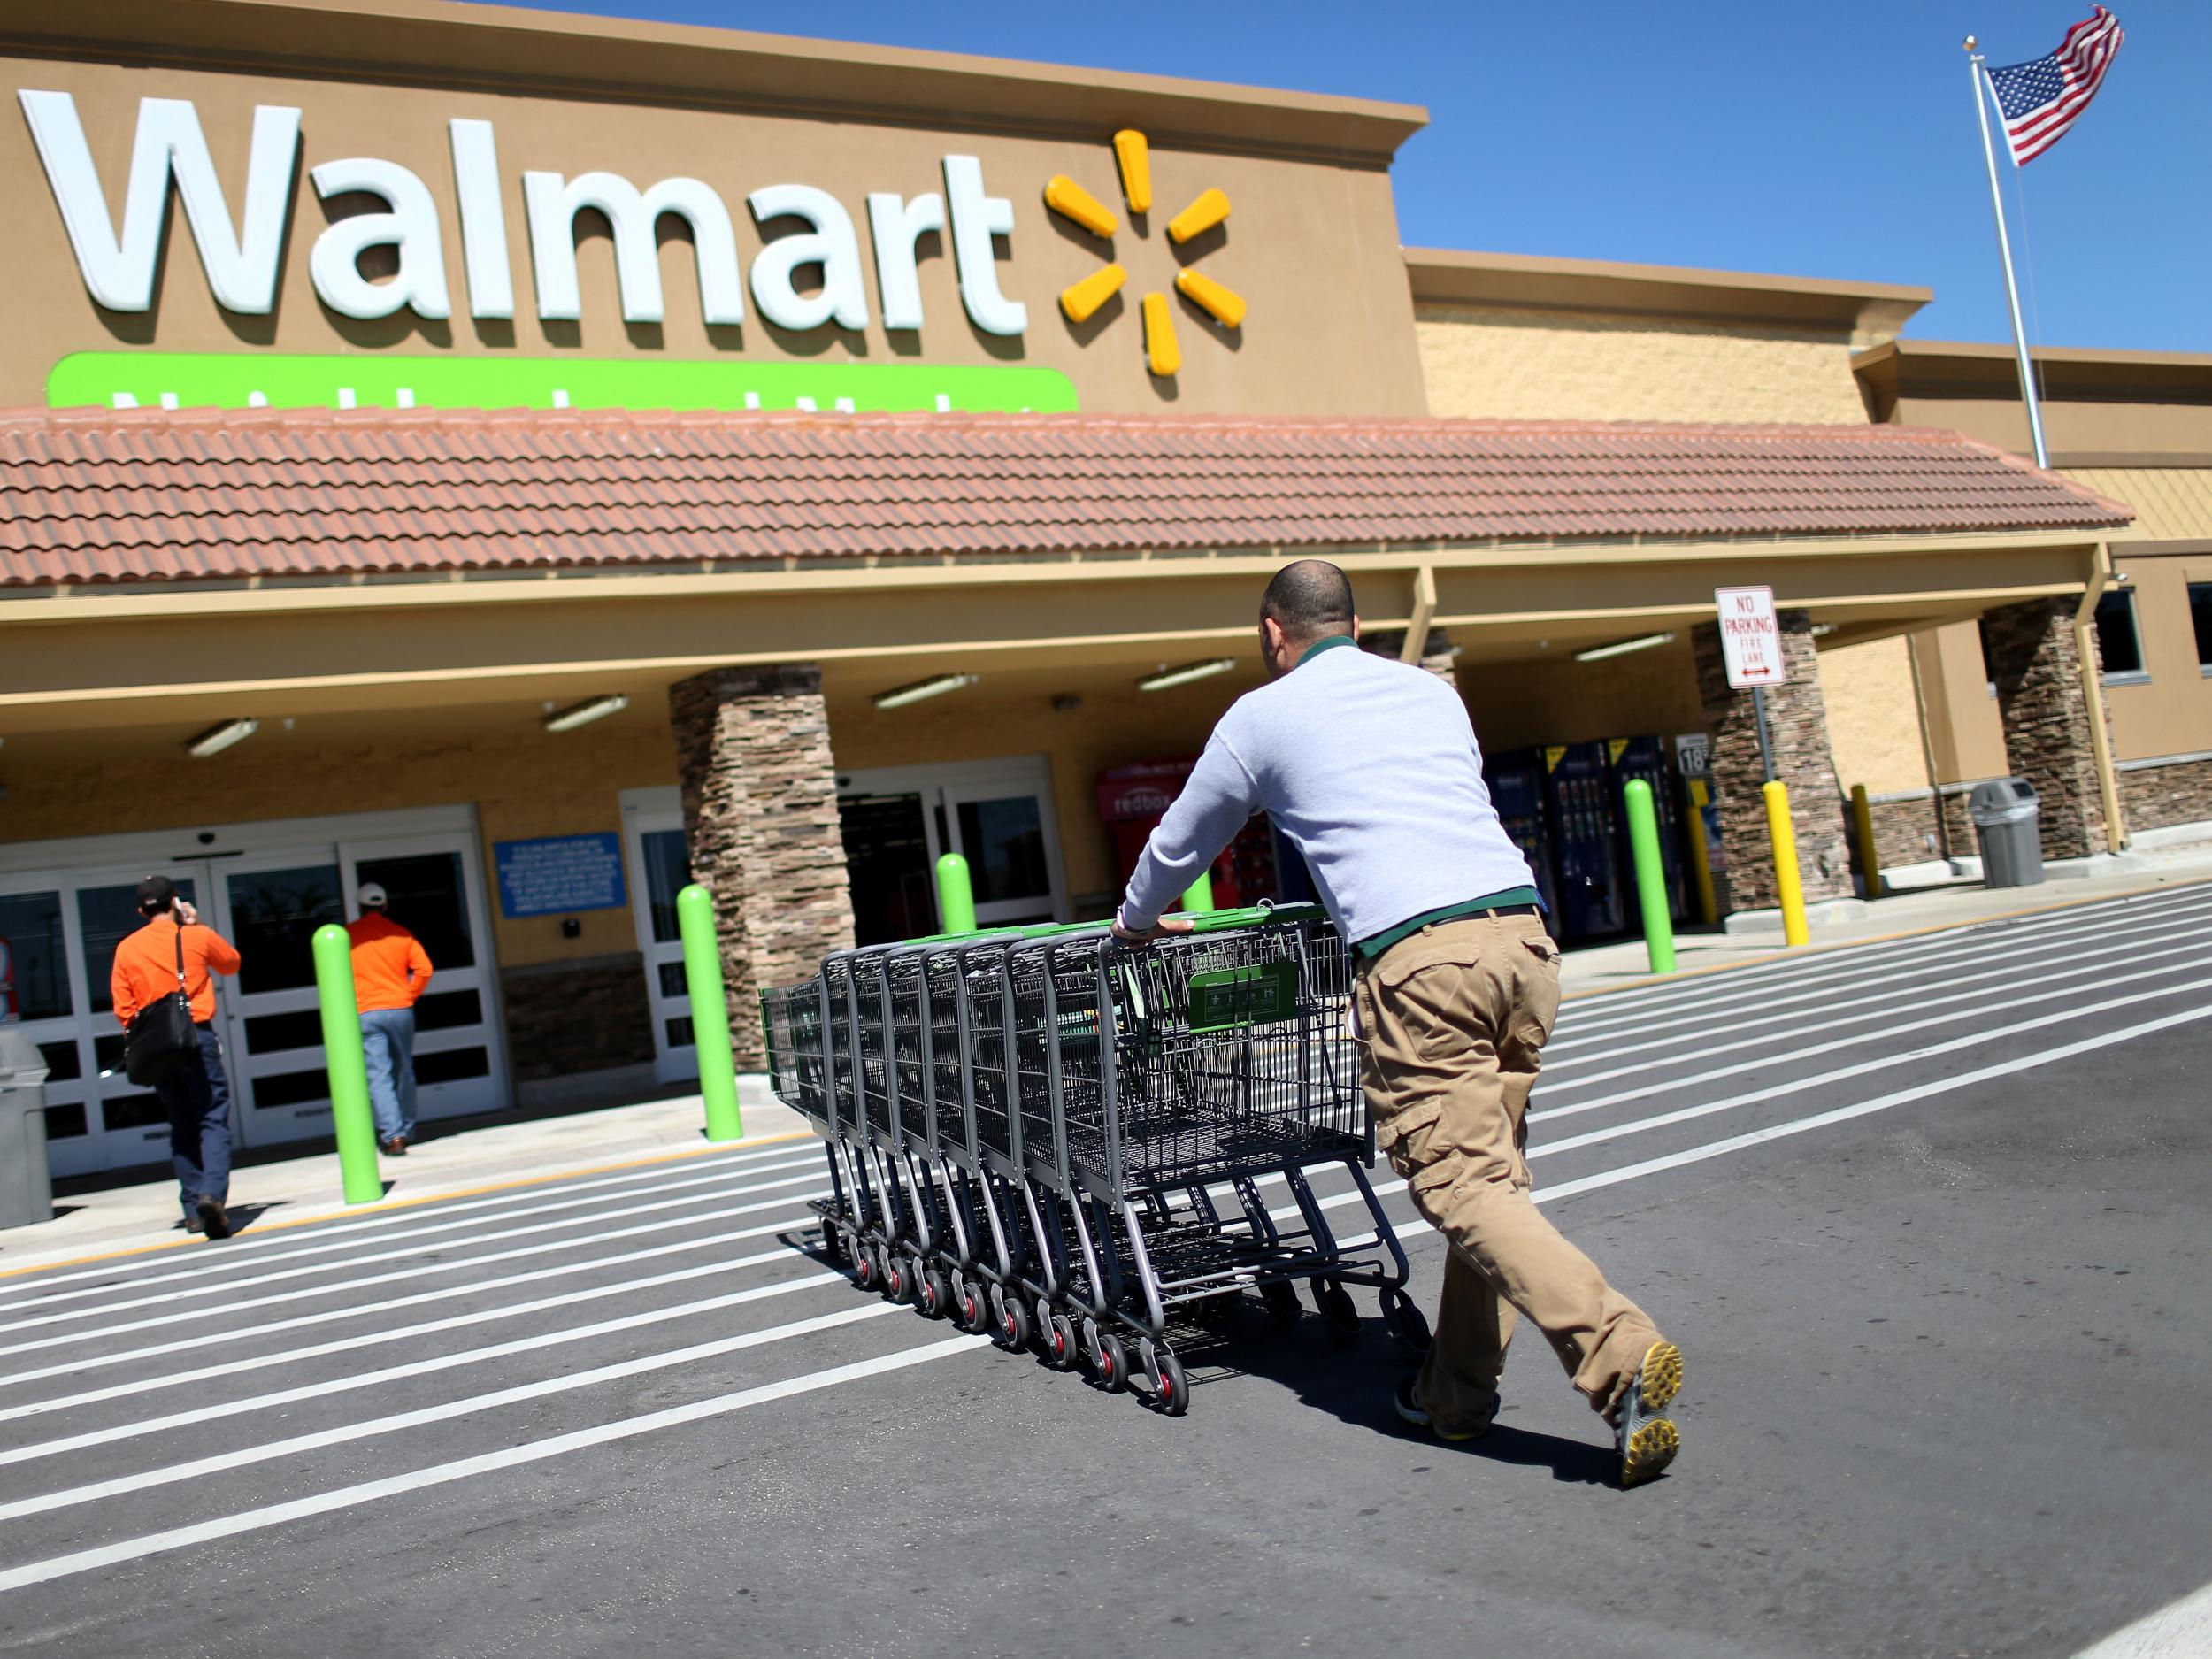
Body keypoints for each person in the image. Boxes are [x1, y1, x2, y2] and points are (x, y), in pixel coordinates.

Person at [1112, 558, 1685, 1487]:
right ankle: (1452, 1395)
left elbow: (1185, 837)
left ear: (1272, 633)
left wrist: (1136, 920)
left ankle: (1618, 1349)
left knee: (1461, 1188)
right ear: (1356, 622)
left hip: (1421, 961)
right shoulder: (1428, 693)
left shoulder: (1261, 716)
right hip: (1522, 942)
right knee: (1491, 1184)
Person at [111, 875, 242, 1240]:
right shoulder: (195, 936)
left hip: (158, 1046)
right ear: (175, 902)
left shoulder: (126, 949)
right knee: (212, 1118)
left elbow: (124, 1010)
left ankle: (191, 1210)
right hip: (196, 1036)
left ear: (141, 910)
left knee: (181, 1122)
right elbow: (232, 963)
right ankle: (211, 1196)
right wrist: (195, 924)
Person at [347, 881, 434, 1156]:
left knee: (379, 1075)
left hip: (367, 1011)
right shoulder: (401, 935)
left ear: (360, 907)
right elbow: (425, 969)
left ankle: (393, 1135)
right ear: (384, 906)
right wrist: (408, 995)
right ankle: (406, 1129)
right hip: (400, 1009)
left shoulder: (348, 935)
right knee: (404, 1069)